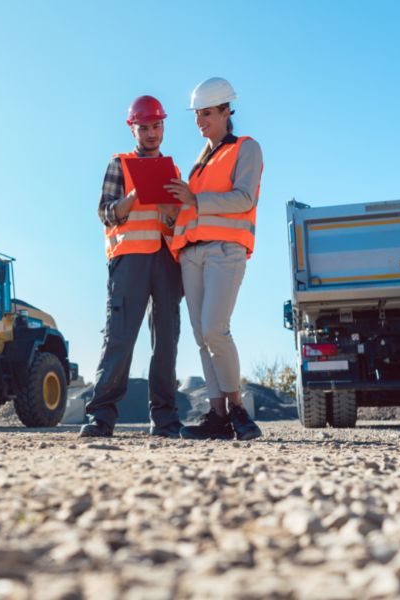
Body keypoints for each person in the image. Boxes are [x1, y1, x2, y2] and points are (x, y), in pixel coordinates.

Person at [164, 77, 263, 441]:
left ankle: (238, 411)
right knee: (201, 336)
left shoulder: (246, 148)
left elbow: (244, 199)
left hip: (225, 250)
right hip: (192, 254)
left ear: (226, 111)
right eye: (197, 114)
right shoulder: (198, 163)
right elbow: (192, 208)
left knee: (214, 329)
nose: (199, 120)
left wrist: (194, 200)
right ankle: (218, 415)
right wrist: (173, 210)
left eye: (207, 113)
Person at [80, 95, 183, 439]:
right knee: (120, 338)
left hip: (167, 262)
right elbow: (105, 212)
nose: (152, 133)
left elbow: (180, 219)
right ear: (132, 128)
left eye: (157, 126)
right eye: (145, 127)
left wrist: (174, 213)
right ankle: (101, 418)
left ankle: (166, 420)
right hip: (130, 261)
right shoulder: (119, 164)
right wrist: (136, 194)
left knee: (166, 341)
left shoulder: (174, 170)